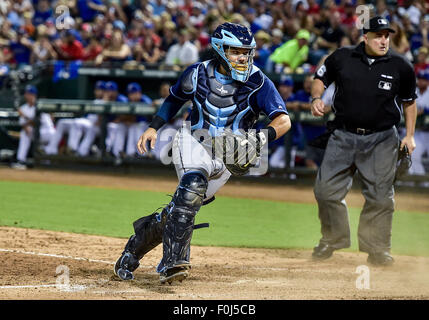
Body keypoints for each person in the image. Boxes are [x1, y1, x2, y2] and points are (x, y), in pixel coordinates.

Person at [114, 22, 291, 284]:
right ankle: (172, 263)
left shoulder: (259, 81)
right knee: (191, 188)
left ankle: (133, 249)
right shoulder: (197, 73)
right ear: (220, 50)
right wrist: (154, 127)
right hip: (194, 139)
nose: (243, 57)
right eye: (235, 51)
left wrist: (261, 136)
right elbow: (174, 98)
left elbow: (283, 121)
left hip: (229, 155)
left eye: (247, 51)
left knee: (181, 209)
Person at [310, 16, 417, 266]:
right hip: (343, 135)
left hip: (382, 139)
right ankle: (332, 239)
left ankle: (377, 248)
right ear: (365, 36)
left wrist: (409, 135)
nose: (383, 40)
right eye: (378, 35)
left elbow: (409, 101)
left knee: (380, 197)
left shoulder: (401, 65)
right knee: (325, 191)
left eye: (386, 35)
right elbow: (320, 78)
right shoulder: (342, 57)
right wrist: (316, 98)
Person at [12, 85, 55, 169]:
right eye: (27, 94)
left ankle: (46, 162)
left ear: (34, 95)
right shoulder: (23, 108)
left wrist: (24, 117)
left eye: (30, 94)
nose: (27, 96)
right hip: (36, 133)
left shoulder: (40, 105)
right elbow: (23, 124)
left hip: (48, 132)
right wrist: (26, 127)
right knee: (24, 133)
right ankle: (21, 161)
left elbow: (36, 122)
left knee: (47, 150)